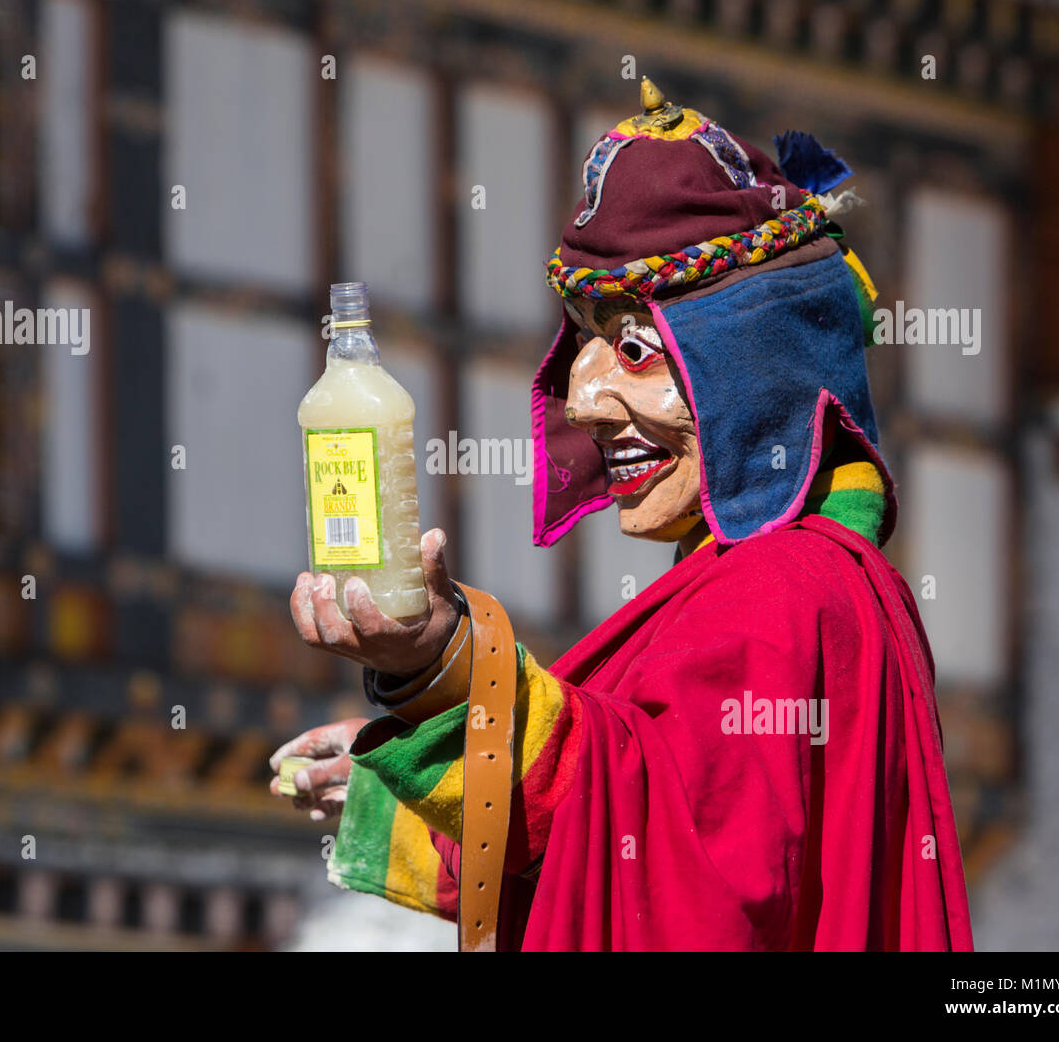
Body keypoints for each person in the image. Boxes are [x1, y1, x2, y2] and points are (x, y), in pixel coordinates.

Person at [271, 79, 974, 952]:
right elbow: (626, 825)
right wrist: (408, 783)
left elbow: (693, 882)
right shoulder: (784, 583)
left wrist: (447, 662)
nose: (585, 398)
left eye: (635, 347)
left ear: (752, 369)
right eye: (583, 341)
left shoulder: (783, 591)